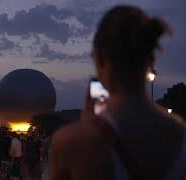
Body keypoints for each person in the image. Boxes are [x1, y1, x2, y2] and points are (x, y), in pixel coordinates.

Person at [50, 5, 186, 180]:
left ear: (100, 58)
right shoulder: (179, 135)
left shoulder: (71, 141)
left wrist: (90, 125)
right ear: (150, 60)